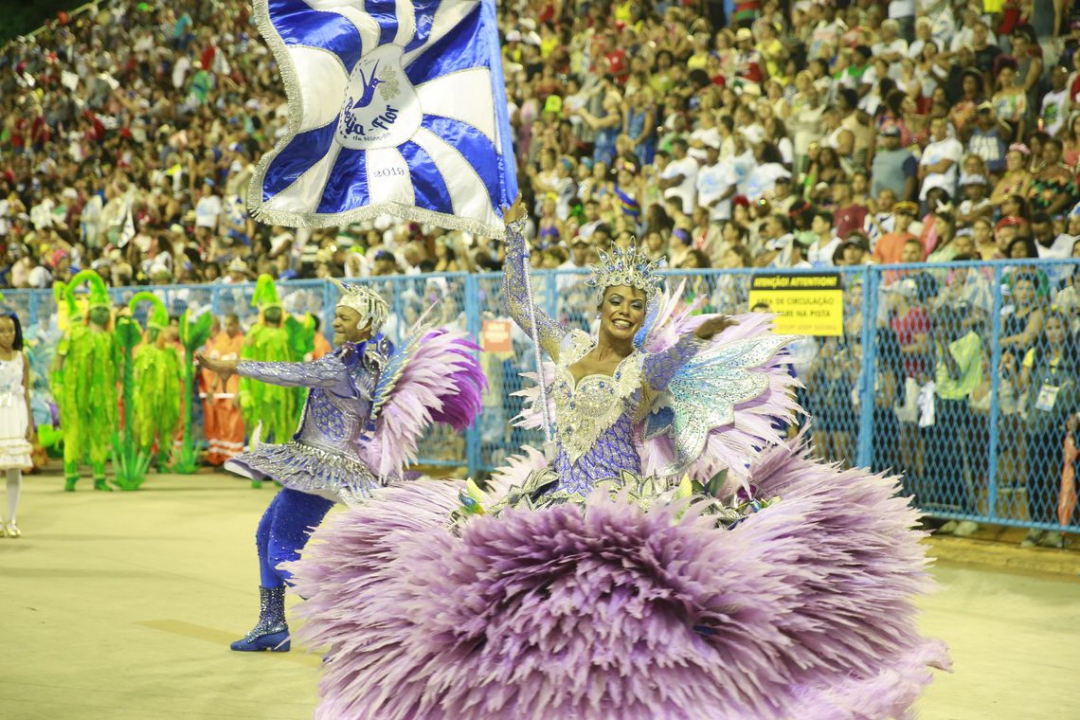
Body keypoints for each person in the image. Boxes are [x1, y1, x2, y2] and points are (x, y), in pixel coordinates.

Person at [287, 201, 949, 718]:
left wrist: (713, 343)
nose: (626, 311)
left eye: (637, 304)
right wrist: (516, 242)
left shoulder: (647, 366)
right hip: (550, 493)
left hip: (620, 497)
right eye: (618, 301)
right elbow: (519, 305)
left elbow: (684, 393)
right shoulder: (569, 349)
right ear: (600, 305)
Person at [197, 281, 485, 652]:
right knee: (266, 531)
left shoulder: (346, 365)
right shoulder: (373, 358)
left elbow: (292, 373)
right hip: (327, 464)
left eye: (345, 317)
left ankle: (344, 629)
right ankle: (272, 624)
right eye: (336, 314)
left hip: (323, 468)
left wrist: (231, 366)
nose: (335, 321)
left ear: (366, 325)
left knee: (281, 549)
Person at [55, 270, 119, 492]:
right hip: (75, 393)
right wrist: (58, 383)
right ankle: (70, 475)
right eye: (97, 309)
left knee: (99, 433)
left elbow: (117, 364)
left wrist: (117, 388)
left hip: (102, 395)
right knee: (73, 431)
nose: (101, 313)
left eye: (104, 309)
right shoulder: (74, 333)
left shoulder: (110, 338)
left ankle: (99, 476)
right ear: (89, 312)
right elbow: (59, 359)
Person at [129, 293, 182, 471]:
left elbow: (181, 372)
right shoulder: (143, 351)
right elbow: (136, 373)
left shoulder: (171, 352)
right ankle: (143, 460)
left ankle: (162, 460)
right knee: (145, 428)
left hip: (167, 398)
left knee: (166, 429)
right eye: (149, 329)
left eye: (155, 330)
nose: (151, 333)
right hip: (146, 398)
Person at [0, 311, 32, 538]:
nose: (7, 335)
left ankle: (11, 519)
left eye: (10, 330)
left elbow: (26, 390)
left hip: (16, 414)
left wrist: (30, 421)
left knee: (14, 468)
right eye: (2, 331)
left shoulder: (22, 357)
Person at [199, 313, 246, 466]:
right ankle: (223, 458)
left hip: (235, 390)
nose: (227, 328)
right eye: (226, 325)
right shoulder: (224, 342)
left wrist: (240, 391)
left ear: (238, 324)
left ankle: (235, 461)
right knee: (224, 428)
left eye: (230, 325)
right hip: (221, 390)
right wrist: (213, 385)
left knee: (235, 427)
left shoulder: (243, 342)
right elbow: (221, 367)